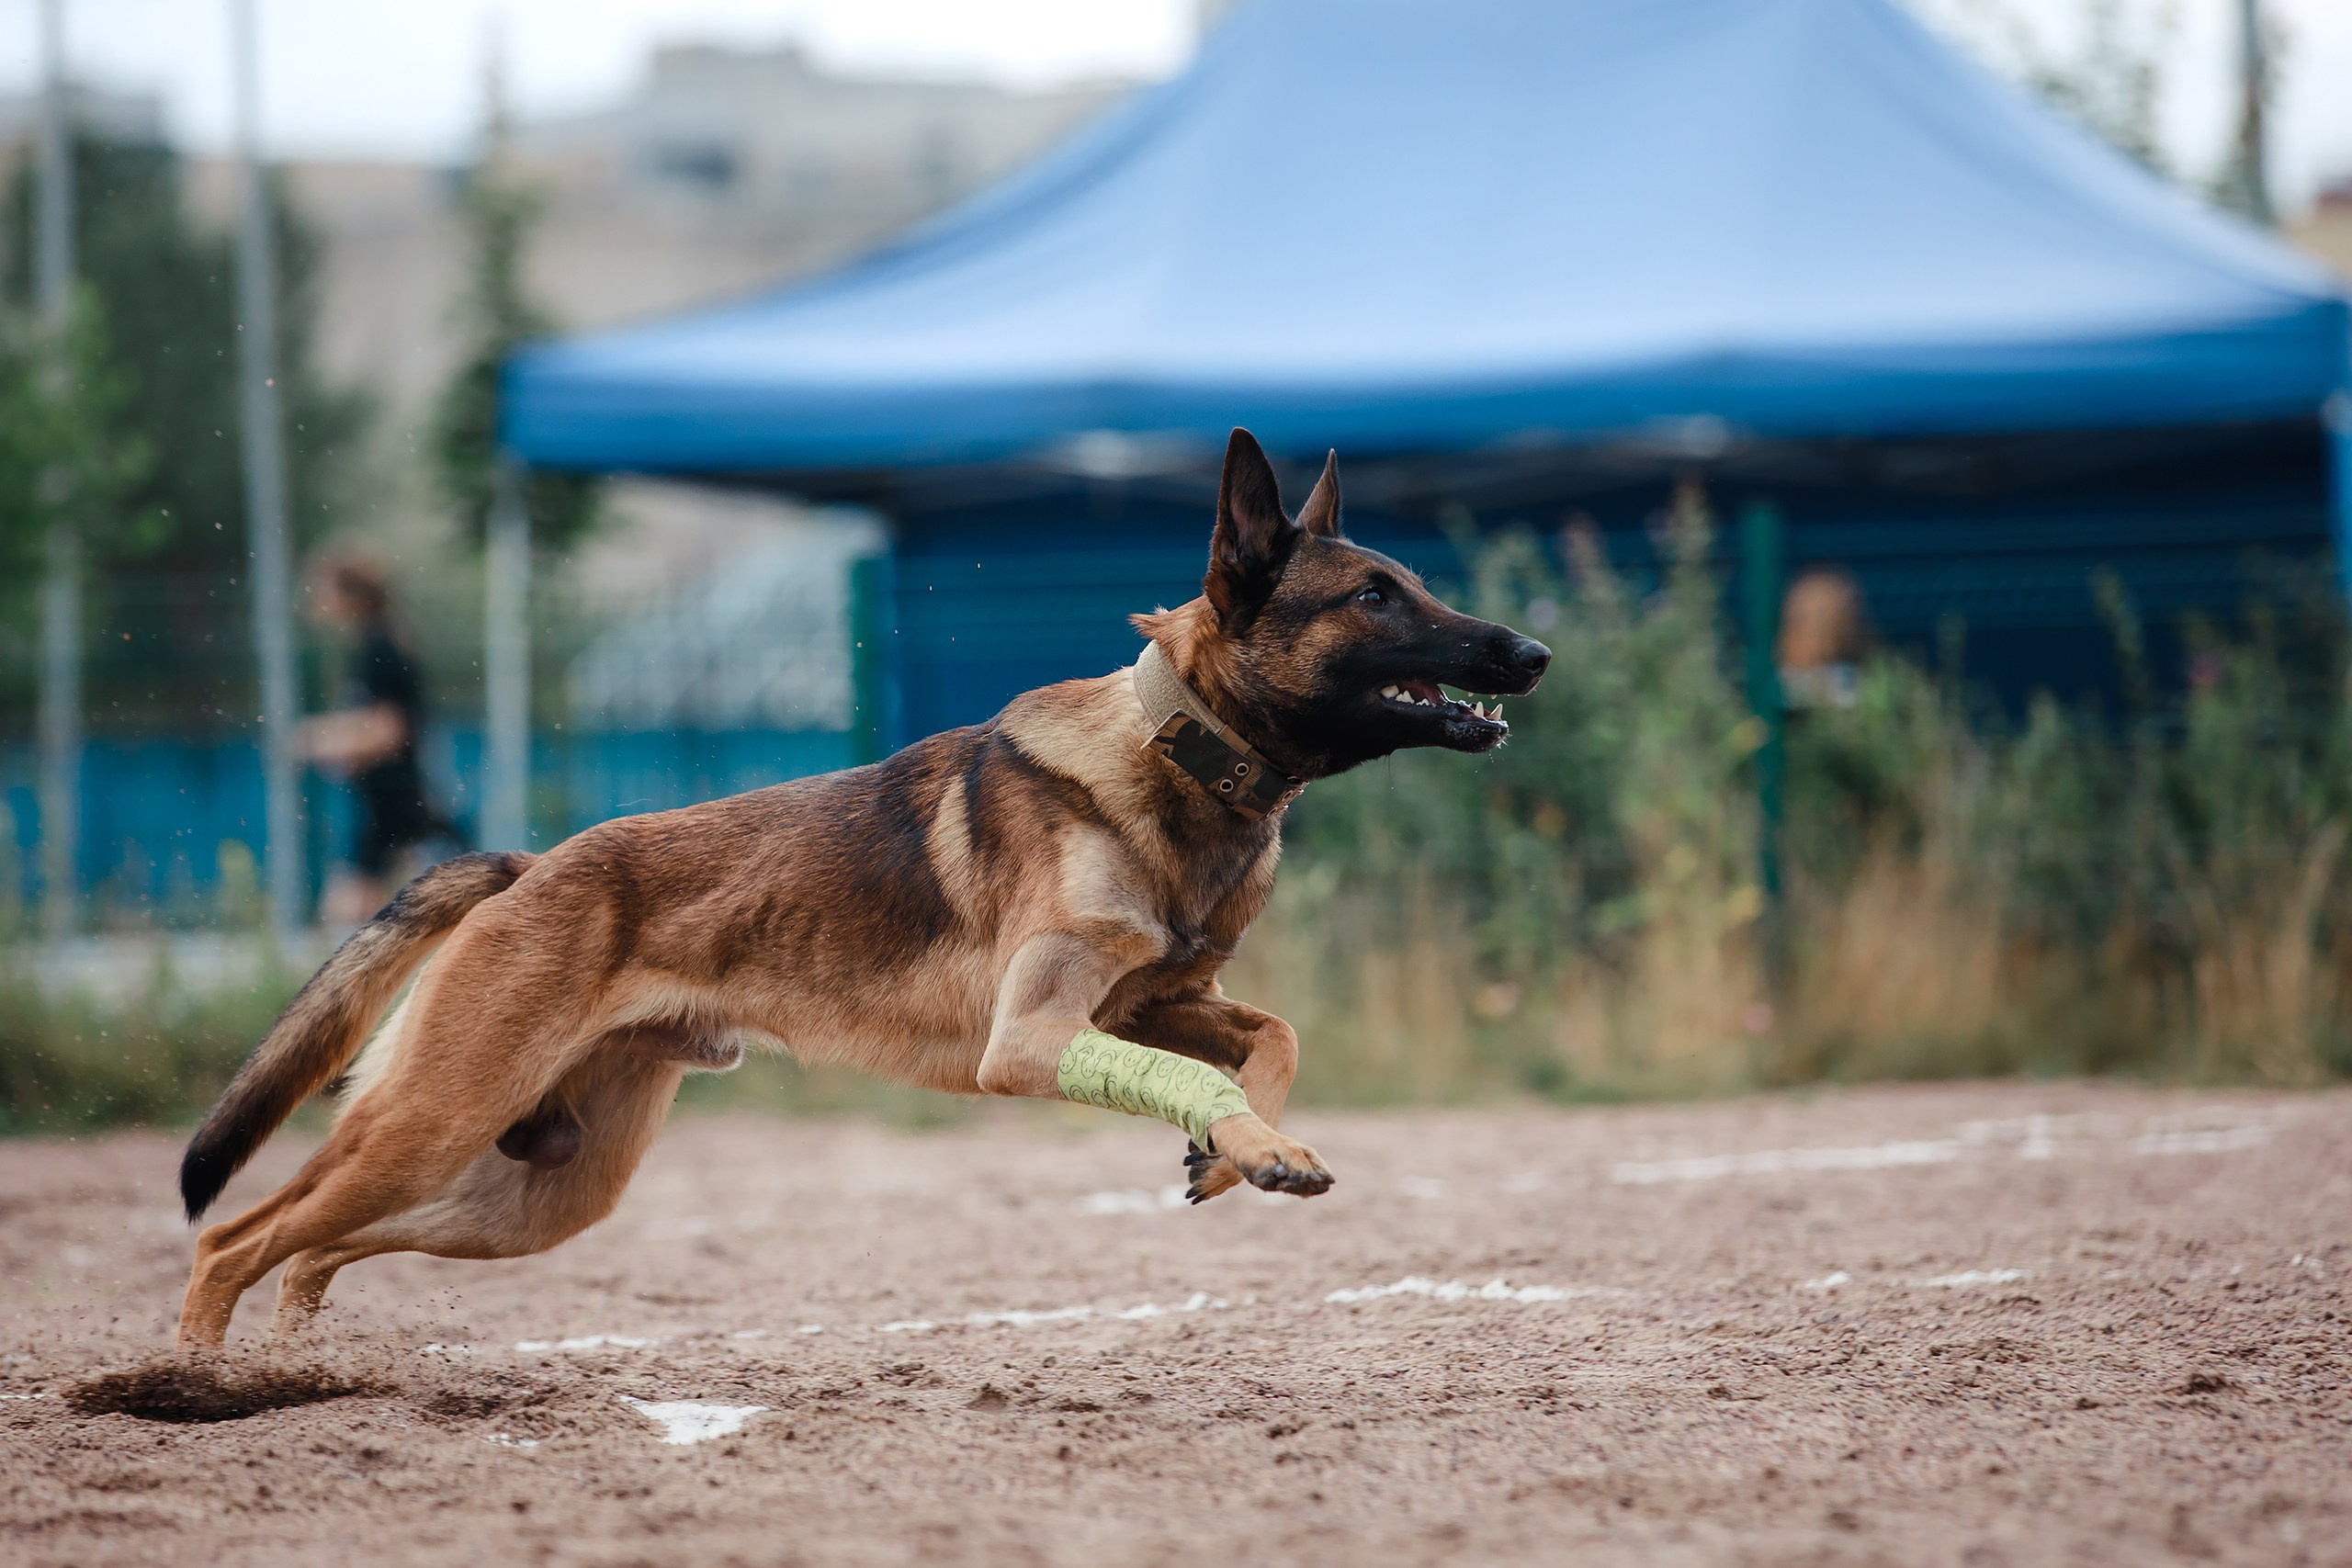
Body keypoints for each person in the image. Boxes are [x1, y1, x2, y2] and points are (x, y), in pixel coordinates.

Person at [298, 557, 452, 928]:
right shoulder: (374, 643)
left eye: (324, 589)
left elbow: (389, 730)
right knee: (364, 912)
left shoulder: (382, 647)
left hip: (392, 795)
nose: (317, 599)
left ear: (351, 595)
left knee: (349, 912)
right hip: (381, 796)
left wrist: (320, 741)